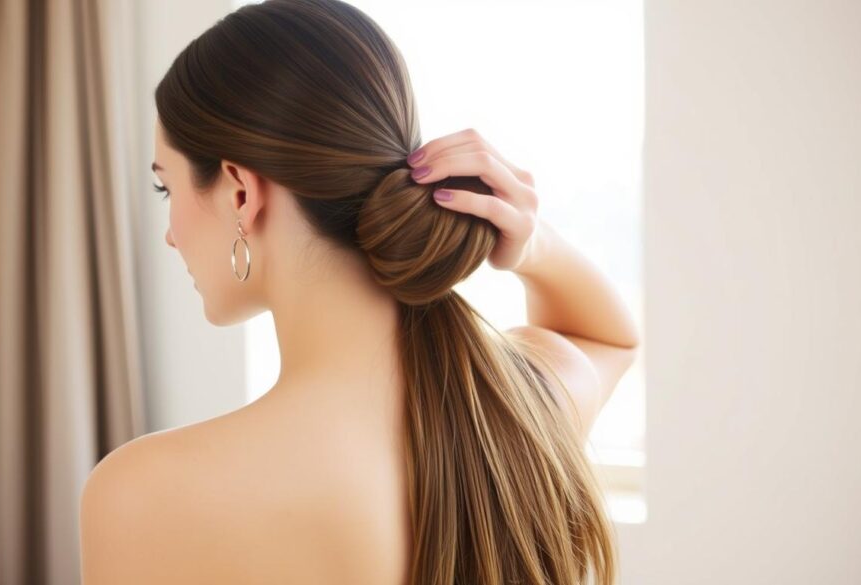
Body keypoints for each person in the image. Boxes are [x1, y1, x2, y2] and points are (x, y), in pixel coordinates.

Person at [79, 1, 640, 583]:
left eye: (164, 187)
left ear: (241, 192)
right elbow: (606, 338)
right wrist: (530, 242)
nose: (170, 235)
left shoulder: (143, 494)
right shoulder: (521, 410)